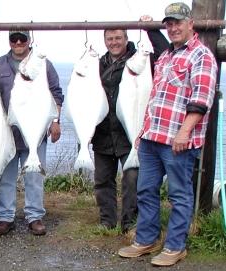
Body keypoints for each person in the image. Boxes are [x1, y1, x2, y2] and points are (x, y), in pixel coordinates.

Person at [118, 2, 217, 267]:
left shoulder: (201, 56)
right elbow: (154, 98)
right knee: (145, 191)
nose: (173, 28)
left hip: (178, 142)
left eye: (178, 23)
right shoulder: (165, 56)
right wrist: (142, 133)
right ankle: (146, 239)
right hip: (152, 139)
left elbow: (201, 100)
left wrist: (184, 133)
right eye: (169, 24)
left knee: (179, 195)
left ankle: (175, 246)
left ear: (190, 24)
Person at [92, 16, 169, 234]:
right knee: (103, 180)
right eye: (109, 38)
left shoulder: (143, 61)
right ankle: (107, 221)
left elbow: (164, 51)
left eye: (118, 37)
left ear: (127, 38)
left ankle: (129, 223)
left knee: (132, 180)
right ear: (105, 41)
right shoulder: (98, 64)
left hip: (131, 133)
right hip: (103, 133)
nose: (114, 42)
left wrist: (151, 28)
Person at [0, 30, 63, 236]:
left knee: (34, 177)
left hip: (36, 131)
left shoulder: (44, 64)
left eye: (22, 38)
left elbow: (56, 93)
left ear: (29, 40)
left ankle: (35, 217)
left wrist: (55, 121)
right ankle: (5, 217)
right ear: (9, 41)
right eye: (13, 38)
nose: (18, 42)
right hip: (7, 133)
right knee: (5, 177)